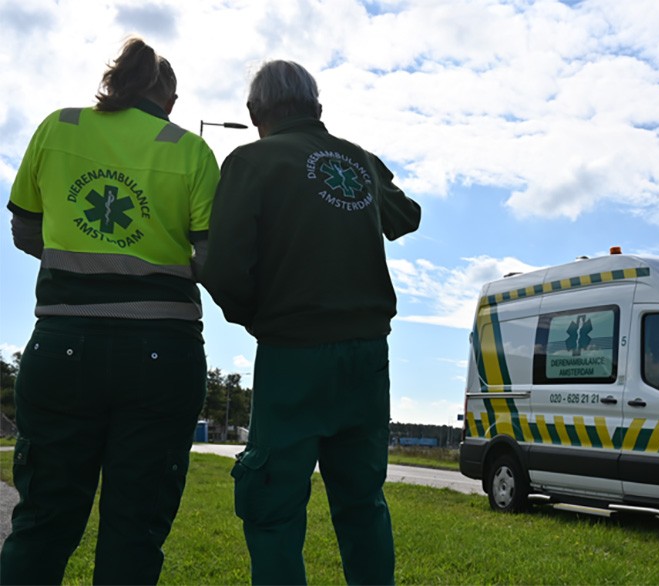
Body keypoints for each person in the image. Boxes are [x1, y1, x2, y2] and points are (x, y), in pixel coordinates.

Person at [1, 37, 219, 584]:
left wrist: (74, 258)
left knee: (43, 521)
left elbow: (26, 228)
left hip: (61, 344)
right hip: (161, 352)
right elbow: (211, 256)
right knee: (135, 529)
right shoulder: (190, 150)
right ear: (167, 99)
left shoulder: (59, 127)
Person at [201, 60, 420, 585]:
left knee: (273, 505)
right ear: (318, 108)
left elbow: (225, 270)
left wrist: (257, 319)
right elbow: (405, 216)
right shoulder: (360, 162)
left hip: (292, 356)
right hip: (368, 359)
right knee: (362, 502)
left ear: (255, 113)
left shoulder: (250, 162)